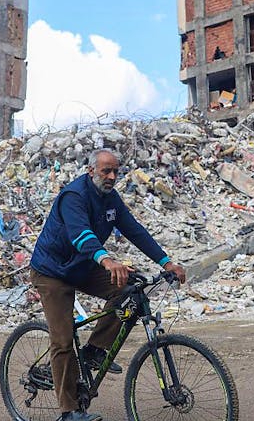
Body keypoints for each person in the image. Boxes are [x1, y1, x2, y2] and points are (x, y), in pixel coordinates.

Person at [30, 148, 187, 421]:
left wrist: (166, 262)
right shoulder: (73, 196)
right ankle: (69, 412)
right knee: (63, 341)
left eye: (116, 171)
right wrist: (106, 259)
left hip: (83, 266)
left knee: (129, 289)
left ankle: (93, 350)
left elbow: (135, 230)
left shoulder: (111, 199)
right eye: (106, 171)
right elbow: (80, 234)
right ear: (91, 170)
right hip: (53, 272)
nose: (112, 176)